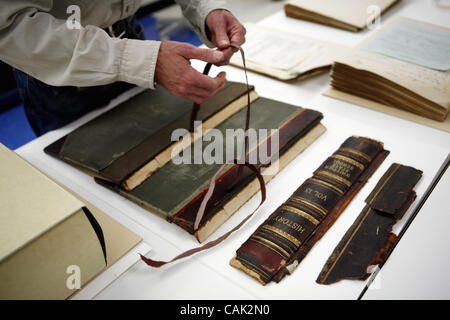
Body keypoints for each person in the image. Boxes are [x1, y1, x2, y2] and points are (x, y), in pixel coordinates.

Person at [0, 0, 246, 136]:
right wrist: (139, 61)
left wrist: (206, 8)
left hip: (130, 34)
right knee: (90, 190)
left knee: (156, 151)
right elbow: (9, 28)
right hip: (58, 68)